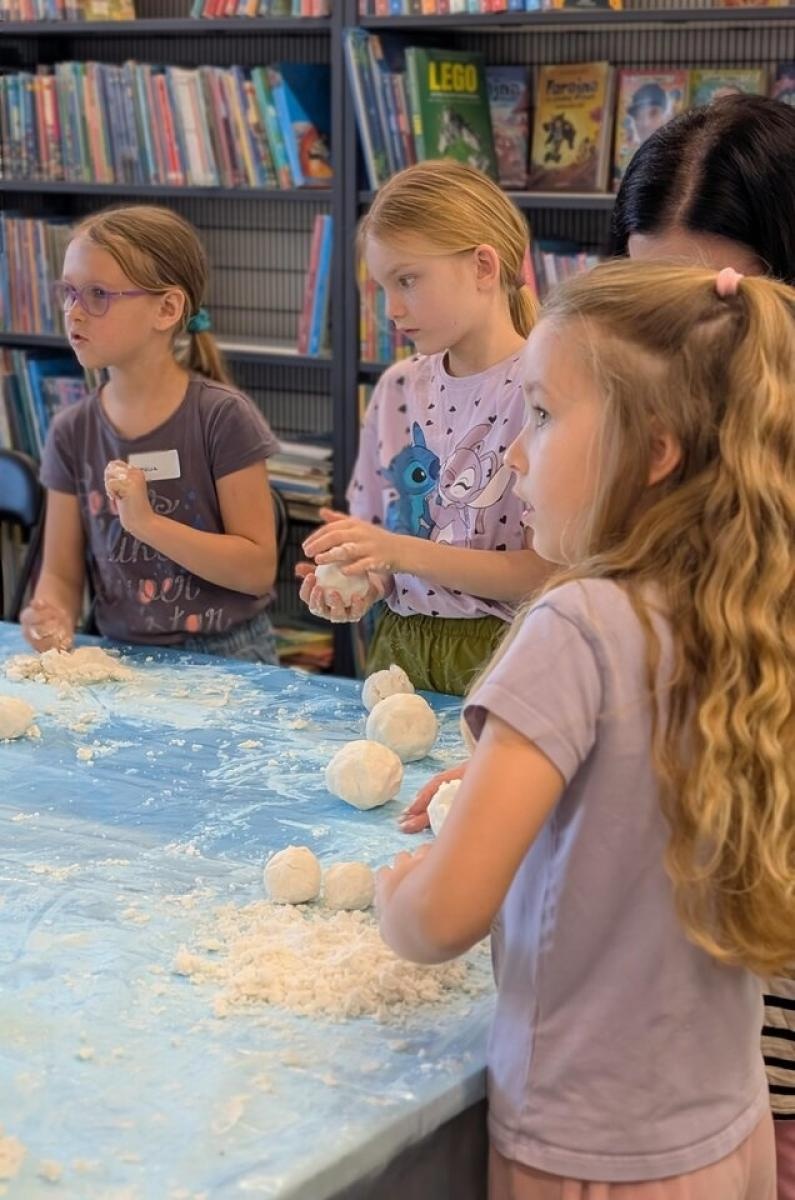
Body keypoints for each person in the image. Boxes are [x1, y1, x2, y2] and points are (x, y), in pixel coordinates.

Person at [377, 259, 794, 1199]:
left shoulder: (577, 625)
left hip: (590, 1152)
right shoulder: (748, 615)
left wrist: (397, 894)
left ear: (653, 451)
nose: (517, 456)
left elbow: (445, 918)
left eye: (541, 415)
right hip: (729, 1131)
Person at [299, 159, 550, 696]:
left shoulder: (541, 390)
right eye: (383, 288)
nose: (391, 309)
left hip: (506, 657)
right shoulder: (395, 390)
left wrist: (398, 552)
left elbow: (545, 573)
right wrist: (359, 583)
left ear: (484, 266)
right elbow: (386, 546)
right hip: (398, 650)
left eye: (408, 280)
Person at [22, 205, 280, 663]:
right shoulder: (71, 430)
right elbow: (60, 575)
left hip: (229, 656)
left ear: (166, 308)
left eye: (97, 294)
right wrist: (52, 619)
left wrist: (147, 524)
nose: (74, 313)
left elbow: (257, 571)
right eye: (69, 293)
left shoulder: (221, 417)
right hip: (118, 653)